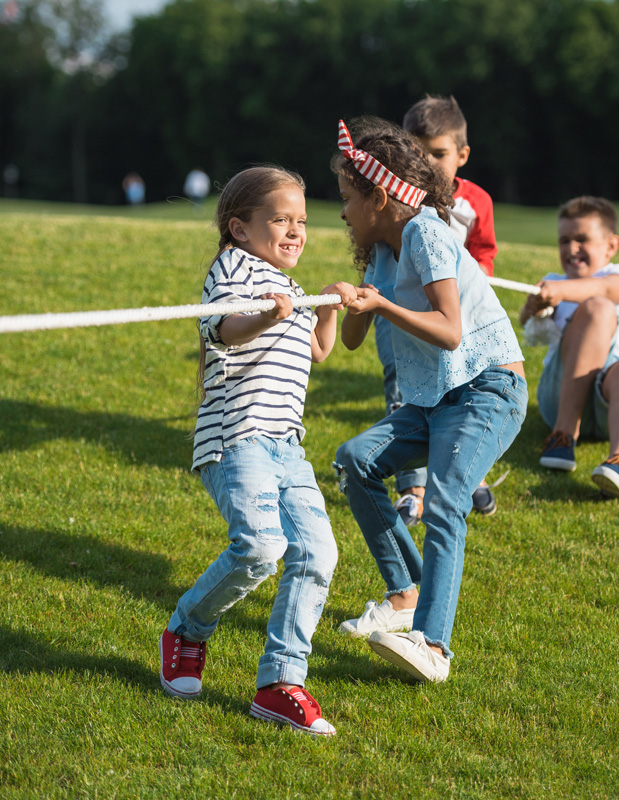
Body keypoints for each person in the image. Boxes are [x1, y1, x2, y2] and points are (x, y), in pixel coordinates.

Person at [158, 166, 357, 737]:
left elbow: (318, 352)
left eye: (301, 220)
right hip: (236, 440)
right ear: (240, 228)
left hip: (288, 448)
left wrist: (327, 308)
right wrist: (268, 314)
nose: (295, 231)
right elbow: (224, 329)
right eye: (280, 220)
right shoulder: (234, 268)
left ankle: (279, 684)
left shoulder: (291, 286)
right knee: (261, 548)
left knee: (318, 556)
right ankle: (187, 631)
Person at [332, 118, 527, 683]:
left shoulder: (426, 233)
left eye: (349, 199)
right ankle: (405, 595)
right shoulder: (379, 252)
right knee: (355, 460)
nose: (343, 213)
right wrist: (346, 302)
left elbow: (449, 330)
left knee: (443, 500)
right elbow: (351, 339)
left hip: (487, 388)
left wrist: (382, 307)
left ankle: (434, 648)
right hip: (433, 399)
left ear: (379, 194)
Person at [378, 95, 500, 529]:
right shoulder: (396, 198)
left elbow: (484, 252)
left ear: (462, 155)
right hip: (400, 313)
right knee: (405, 390)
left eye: (439, 153)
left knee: (464, 392)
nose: (427, 161)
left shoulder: (476, 203)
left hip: (456, 320)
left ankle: (467, 475)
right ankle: (412, 489)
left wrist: (477, 274)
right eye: (417, 150)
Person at [521, 196, 619, 499]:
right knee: (595, 310)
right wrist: (533, 308)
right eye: (564, 240)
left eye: (582, 239)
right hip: (560, 397)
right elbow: (529, 329)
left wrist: (558, 292)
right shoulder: (552, 283)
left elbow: (605, 290)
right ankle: (562, 435)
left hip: (617, 403)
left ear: (611, 246)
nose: (571, 248)